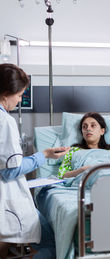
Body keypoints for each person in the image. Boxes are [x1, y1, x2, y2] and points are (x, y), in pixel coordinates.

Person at [0, 63, 70, 259]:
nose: (20, 100)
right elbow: (10, 171)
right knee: (46, 241)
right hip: (6, 195)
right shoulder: (5, 121)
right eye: (20, 95)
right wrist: (44, 155)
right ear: (6, 93)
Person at [58, 112, 110, 178]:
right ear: (82, 132)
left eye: (93, 125)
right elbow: (62, 175)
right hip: (82, 185)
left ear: (102, 131)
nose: (88, 129)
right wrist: (82, 170)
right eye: (84, 127)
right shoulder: (73, 151)